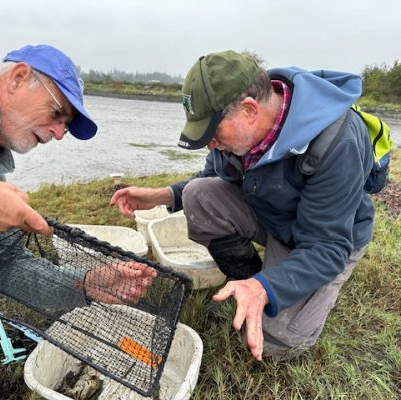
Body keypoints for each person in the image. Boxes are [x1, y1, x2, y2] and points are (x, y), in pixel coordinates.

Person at [0, 45, 155, 399]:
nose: (59, 133)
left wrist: (85, 285)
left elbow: (4, 264)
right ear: (18, 78)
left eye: (65, 125)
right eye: (57, 113)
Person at [111, 50, 374, 362]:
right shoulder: (238, 134)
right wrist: (163, 195)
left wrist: (266, 288)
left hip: (322, 240)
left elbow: (326, 246)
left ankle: (264, 288)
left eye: (212, 133)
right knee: (198, 194)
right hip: (274, 216)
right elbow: (212, 177)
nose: (210, 144)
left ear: (250, 110)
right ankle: (249, 280)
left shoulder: (338, 141)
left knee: (279, 344)